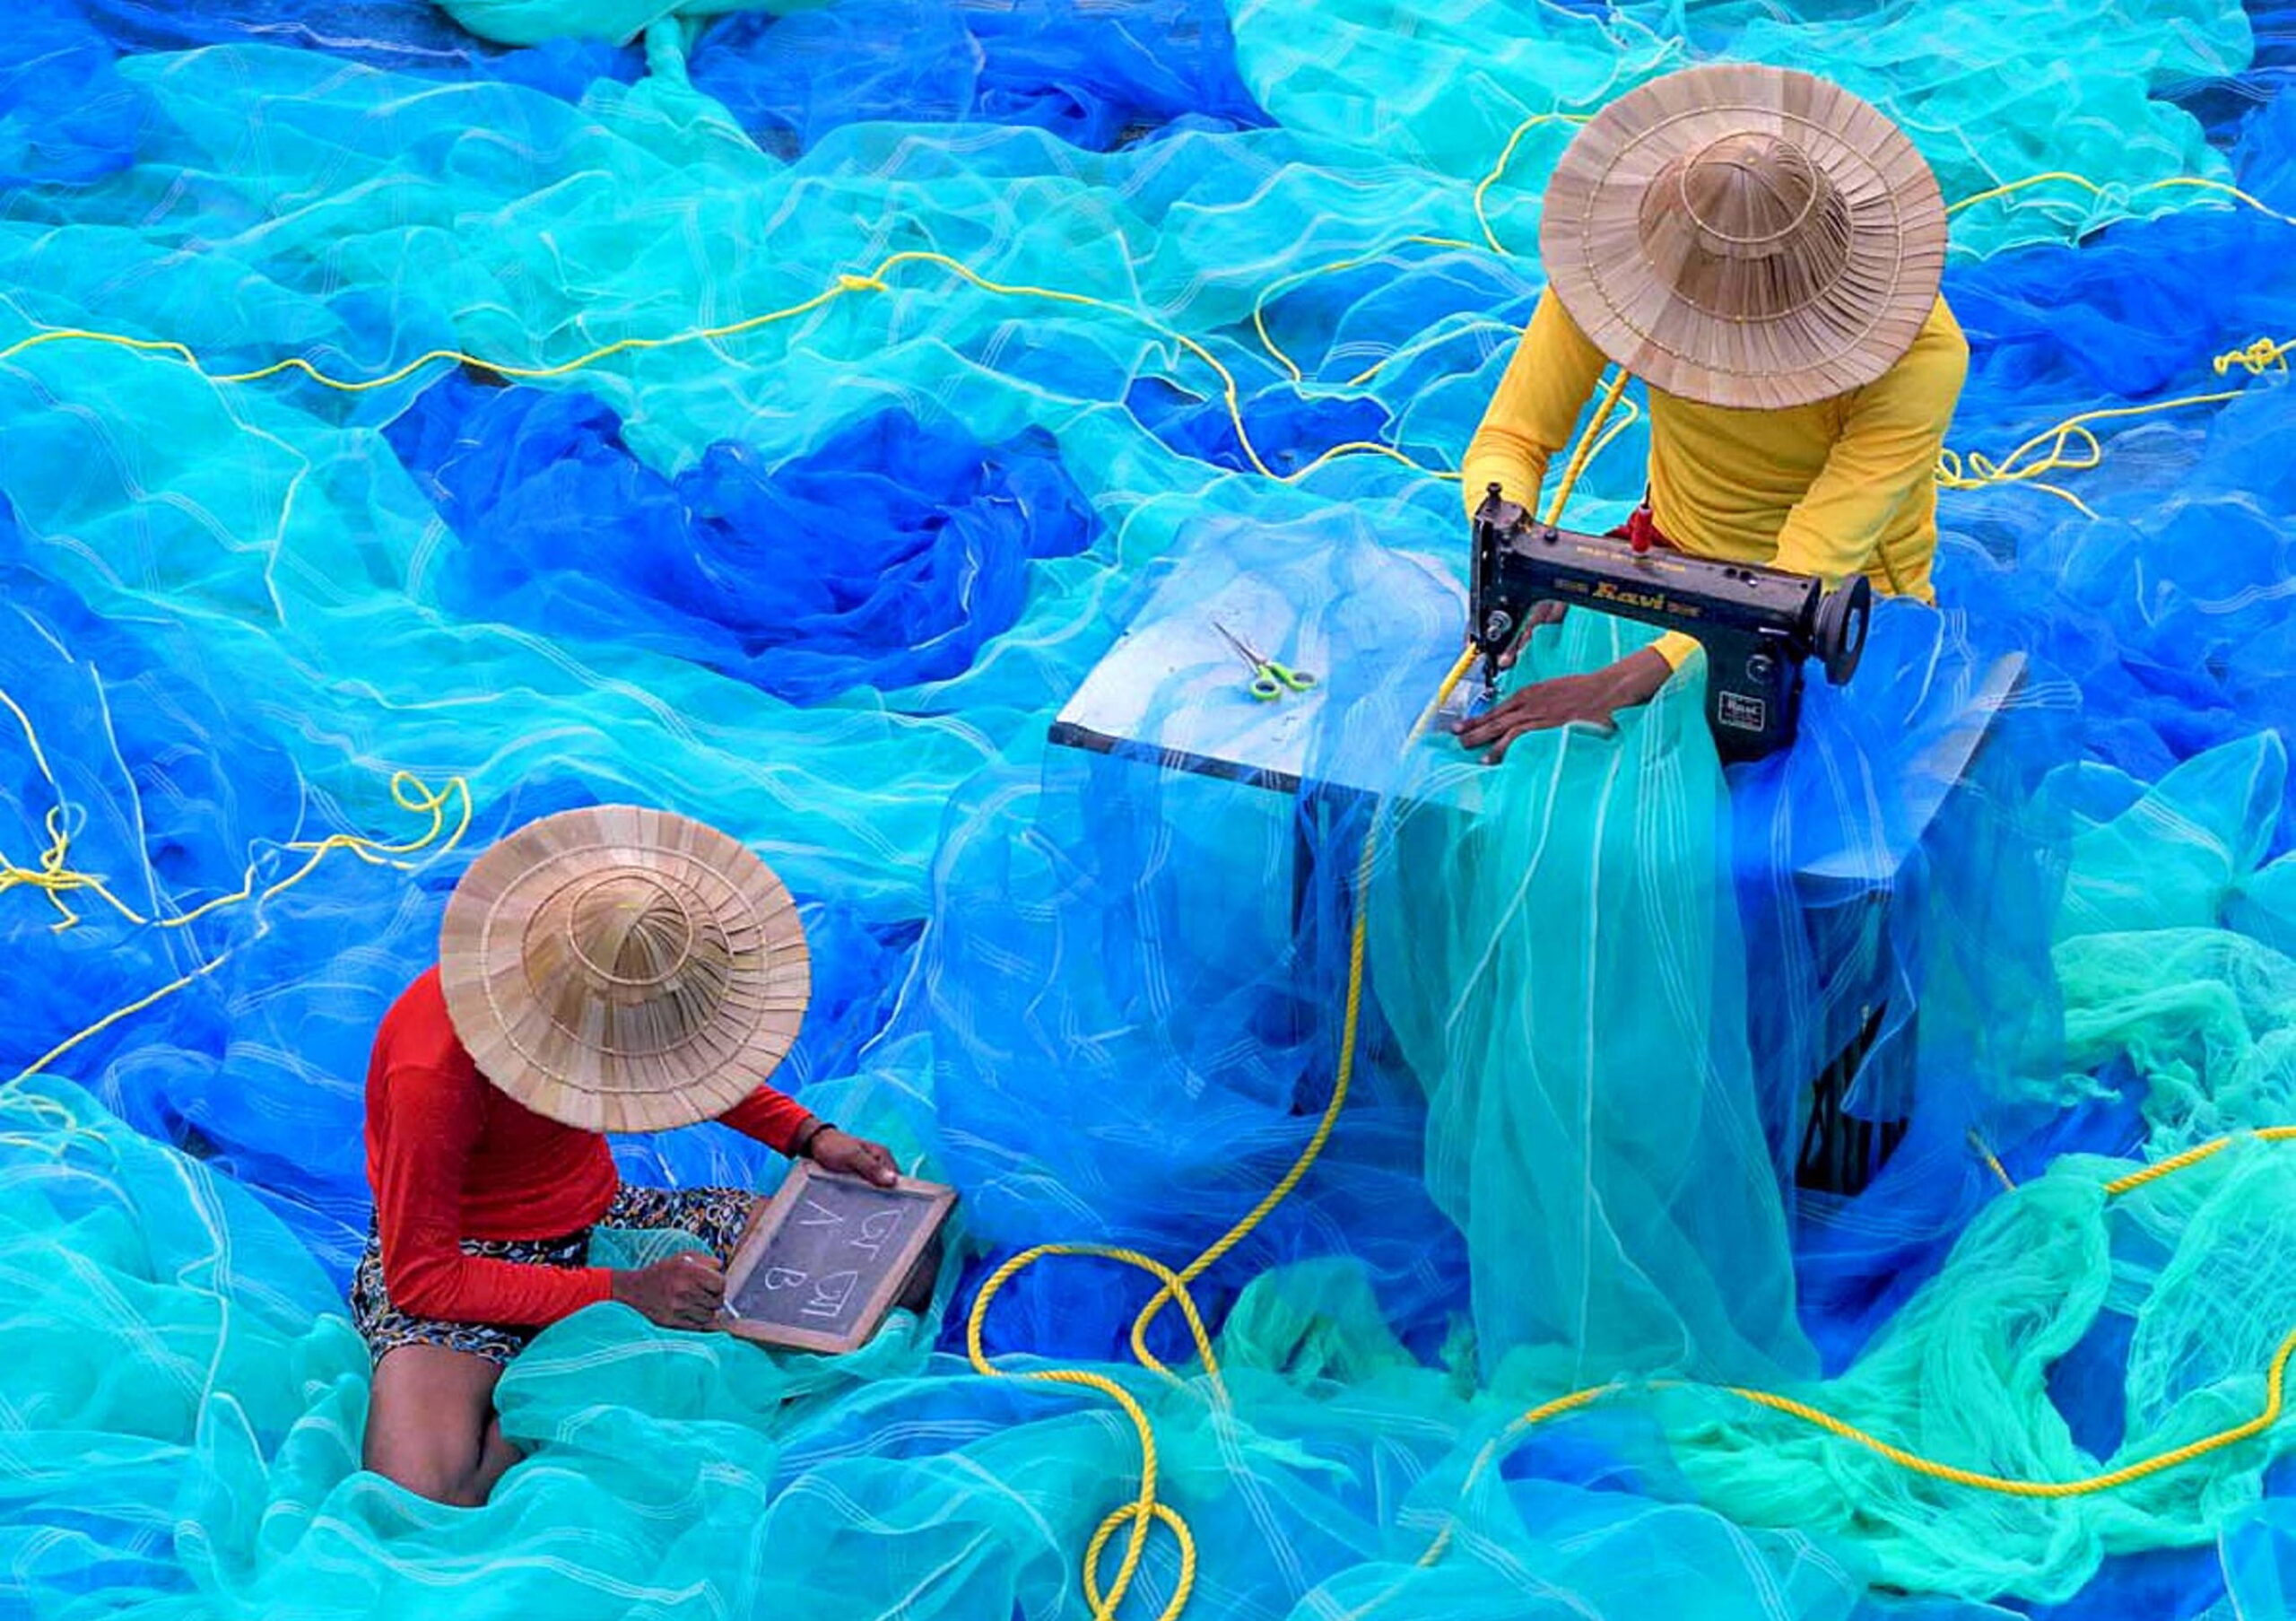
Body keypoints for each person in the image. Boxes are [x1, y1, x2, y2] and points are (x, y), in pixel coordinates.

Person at [355, 802, 900, 1506]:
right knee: (420, 1496)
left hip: (604, 1219)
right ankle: (584, 1381)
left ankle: (595, 1370)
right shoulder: (433, 1071)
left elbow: (689, 1061)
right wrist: (625, 1294)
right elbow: (422, 1279)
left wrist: (811, 1136)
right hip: (472, 1257)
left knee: (881, 1262)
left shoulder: (611, 1004)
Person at [1455, 62, 1970, 763]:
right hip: (1669, 565)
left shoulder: (1921, 357)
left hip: (1833, 619)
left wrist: (1617, 682)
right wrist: (1518, 549)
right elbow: (1513, 438)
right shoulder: (1617, 270)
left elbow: (1801, 576)